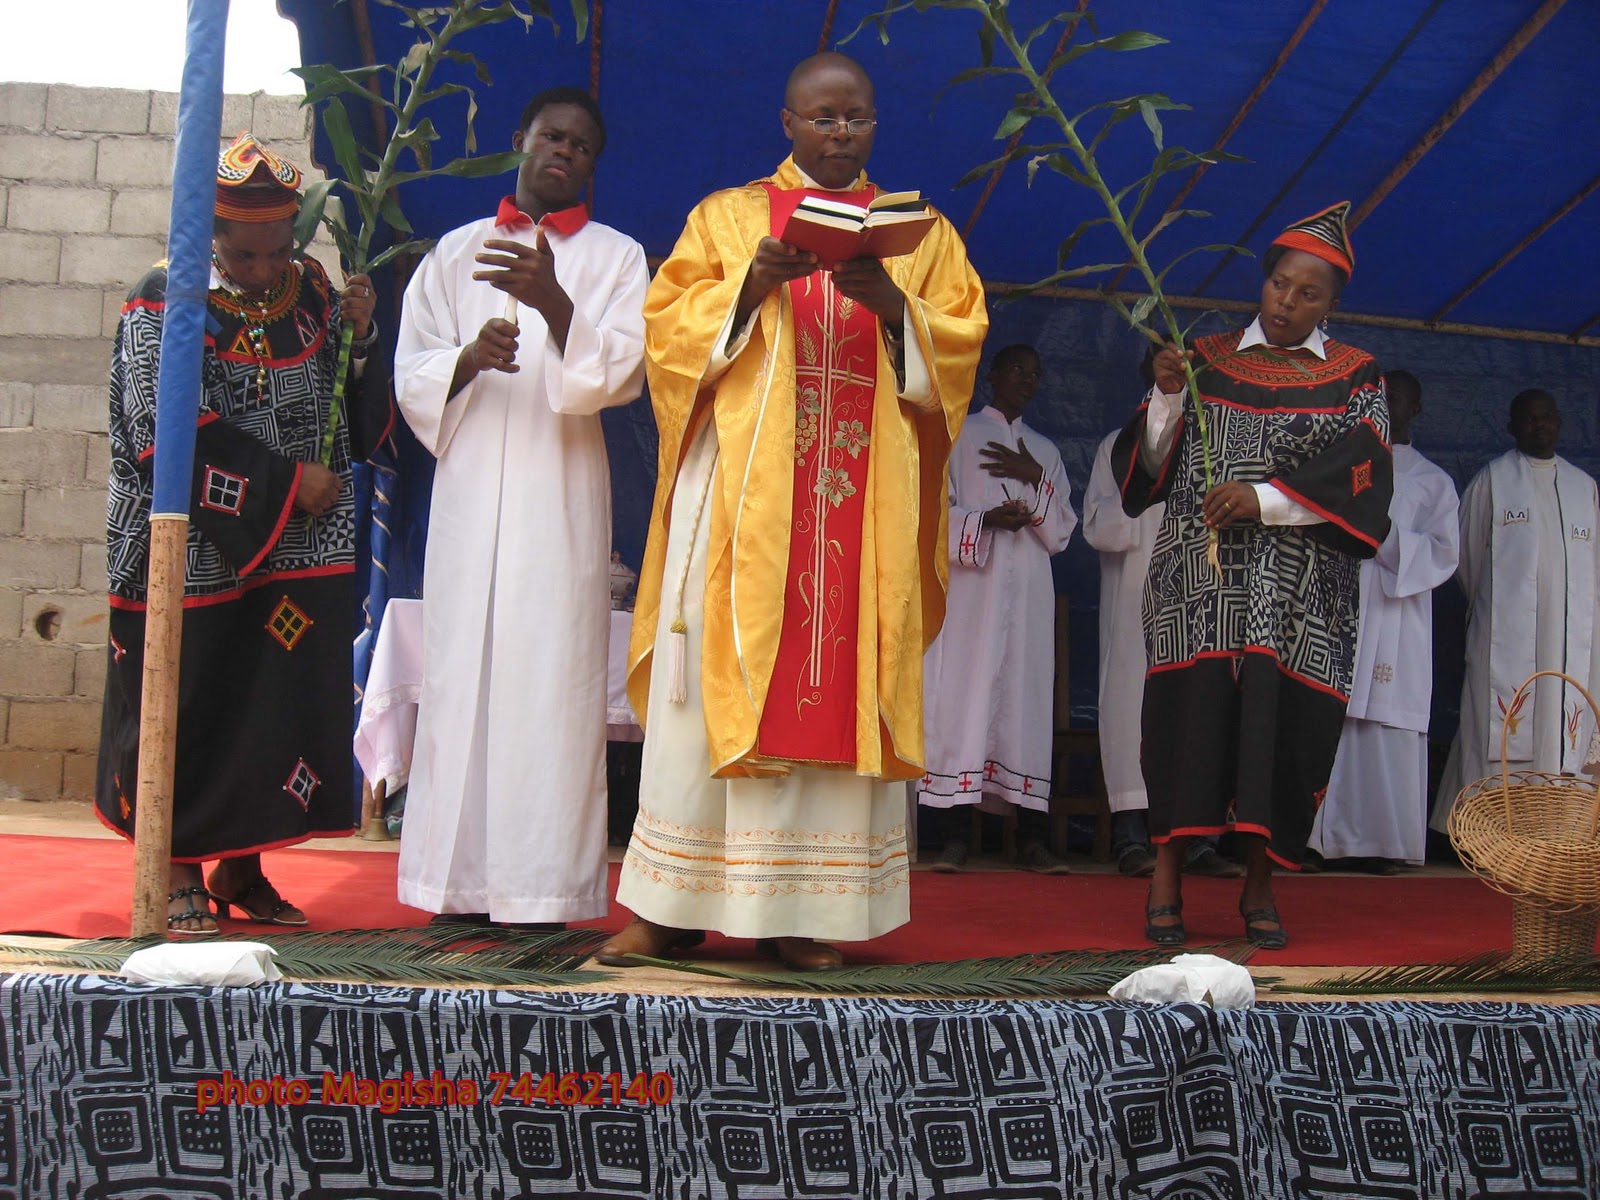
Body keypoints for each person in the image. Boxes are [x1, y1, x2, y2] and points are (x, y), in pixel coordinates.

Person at [598, 51, 988, 971]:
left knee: (836, 679)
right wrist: (750, 288)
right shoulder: (728, 218)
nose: (840, 132)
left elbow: (961, 345)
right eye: (822, 118)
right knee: (710, 687)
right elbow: (668, 331)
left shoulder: (920, 234)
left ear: (874, 123)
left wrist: (896, 310)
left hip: (858, 510)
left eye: (856, 118)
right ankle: (670, 903)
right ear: (788, 122)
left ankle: (807, 912)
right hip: (739, 499)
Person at [96, 133, 384, 934]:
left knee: (273, 703)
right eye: (243, 254)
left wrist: (358, 337)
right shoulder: (166, 300)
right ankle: (178, 866)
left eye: (276, 251)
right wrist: (290, 485)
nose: (262, 269)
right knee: (195, 699)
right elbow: (162, 430)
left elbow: (343, 404)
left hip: (299, 548)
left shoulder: (316, 289)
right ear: (209, 237)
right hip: (190, 545)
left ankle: (242, 866)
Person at [393, 87, 648, 927]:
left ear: (593, 163)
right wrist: (465, 360)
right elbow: (412, 370)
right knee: (462, 681)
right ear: (520, 138)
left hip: (559, 503)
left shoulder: (615, 258)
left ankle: (538, 892)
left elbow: (622, 373)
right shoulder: (455, 252)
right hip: (469, 505)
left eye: (580, 144)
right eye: (551, 136)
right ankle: (454, 886)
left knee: (550, 688)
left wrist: (553, 303)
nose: (563, 152)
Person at [1112, 201, 1392, 950]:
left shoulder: (1358, 377)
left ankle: (1259, 885)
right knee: (1189, 725)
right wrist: (1168, 392)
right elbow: (1145, 467)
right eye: (1279, 287)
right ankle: (1166, 876)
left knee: (1283, 734)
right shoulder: (1202, 356)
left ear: (1332, 303)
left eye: (1309, 294)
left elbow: (1364, 473)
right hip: (1200, 589)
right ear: (1262, 283)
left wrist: (1265, 500)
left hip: (1301, 597)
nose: (1289, 304)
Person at [916, 344, 1077, 874]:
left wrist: (1035, 477)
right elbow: (935, 511)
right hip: (973, 597)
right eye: (1016, 369)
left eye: (1035, 372)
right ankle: (956, 837)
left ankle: (1031, 839)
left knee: (1023, 705)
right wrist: (986, 521)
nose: (1026, 379)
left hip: (1028, 595)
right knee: (967, 700)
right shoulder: (959, 435)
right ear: (992, 376)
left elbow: (1061, 533)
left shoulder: (1046, 450)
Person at [1084, 360, 1244, 881]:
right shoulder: (1119, 445)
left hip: (1197, 597)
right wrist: (1145, 503)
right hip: (1137, 596)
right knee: (1132, 708)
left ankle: (1196, 840)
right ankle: (1132, 836)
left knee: (1198, 708)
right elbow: (1097, 525)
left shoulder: (1213, 443)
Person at [1431, 388, 1600, 833]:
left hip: (1572, 640)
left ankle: (1558, 832)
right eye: (1529, 418)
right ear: (1511, 426)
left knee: (1559, 727)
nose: (1539, 425)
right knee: (1499, 724)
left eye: (1546, 417)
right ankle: (1489, 831)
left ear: (1560, 421)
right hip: (1505, 636)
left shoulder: (1586, 488)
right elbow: (1465, 559)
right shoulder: (1493, 480)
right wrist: (1504, 608)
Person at [1310, 370, 1458, 871]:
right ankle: (1317, 842)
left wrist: (1386, 535)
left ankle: (1379, 844)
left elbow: (1446, 554)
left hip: (1398, 620)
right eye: (1375, 395)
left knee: (1382, 726)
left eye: (1392, 397)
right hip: (1341, 609)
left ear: (1415, 408)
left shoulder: (1433, 481)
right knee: (1330, 719)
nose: (1382, 403)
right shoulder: (1350, 465)